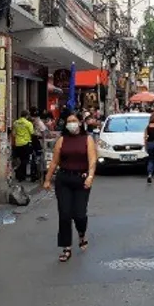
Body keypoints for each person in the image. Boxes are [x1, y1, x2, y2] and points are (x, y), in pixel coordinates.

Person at [43, 112, 97, 263]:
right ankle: (66, 247)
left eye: (74, 120)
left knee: (79, 214)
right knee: (65, 214)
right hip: (64, 179)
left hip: (82, 180)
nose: (71, 123)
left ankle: (81, 233)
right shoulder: (62, 140)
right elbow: (54, 161)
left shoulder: (87, 139)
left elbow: (92, 160)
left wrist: (90, 177)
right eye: (69, 121)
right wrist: (47, 179)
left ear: (80, 122)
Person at [12, 110, 34, 183]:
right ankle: (19, 173)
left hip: (18, 143)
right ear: (27, 116)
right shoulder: (28, 123)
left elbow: (14, 134)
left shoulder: (15, 123)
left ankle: (21, 175)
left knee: (21, 160)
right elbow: (32, 133)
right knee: (26, 160)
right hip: (26, 143)